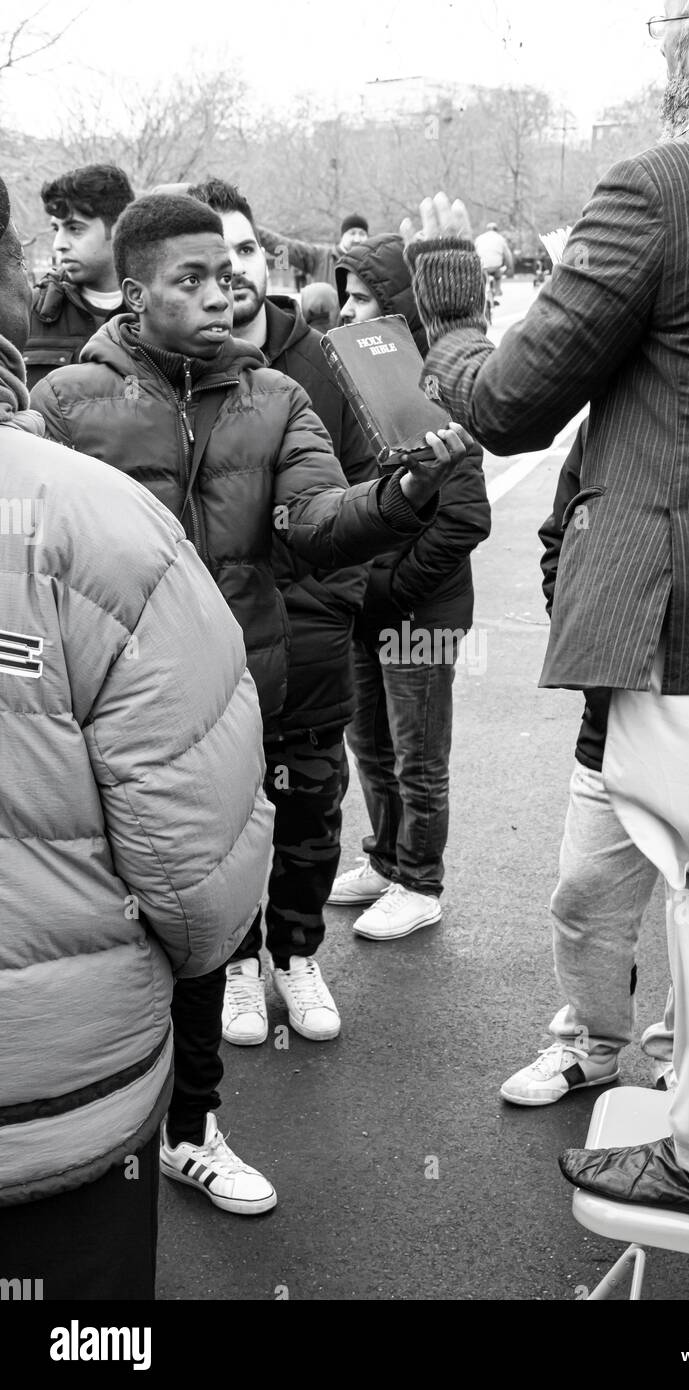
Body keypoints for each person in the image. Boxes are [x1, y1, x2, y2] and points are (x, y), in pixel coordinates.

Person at [401, 0, 689, 1221]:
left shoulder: (661, 185)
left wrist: (447, 306)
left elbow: (506, 403)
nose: (658, 48)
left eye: (664, 25)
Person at [30, 193, 471, 1210]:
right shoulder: (63, 405)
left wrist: (400, 496)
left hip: (236, 710)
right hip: (99, 725)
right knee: (101, 934)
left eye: (226, 276)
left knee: (205, 915)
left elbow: (316, 521)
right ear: (134, 296)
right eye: (189, 279)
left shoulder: (275, 397)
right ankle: (85, 1145)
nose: (220, 294)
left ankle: (192, 1128)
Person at [0, 174, 274, 1296]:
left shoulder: (277, 391)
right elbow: (198, 875)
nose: (222, 294)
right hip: (52, 1099)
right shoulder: (88, 511)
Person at [189, 176, 376, 1045]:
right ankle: (235, 966)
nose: (229, 273)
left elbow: (376, 490)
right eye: (209, 258)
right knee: (227, 822)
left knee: (309, 814)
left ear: (264, 257)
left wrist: (342, 599)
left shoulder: (326, 361)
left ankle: (297, 956)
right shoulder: (178, 372)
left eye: (244, 250)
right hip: (214, 656)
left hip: (309, 646)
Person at [327, 232, 492, 940]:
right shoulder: (356, 387)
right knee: (370, 744)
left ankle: (420, 881)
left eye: (363, 297)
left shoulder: (437, 390)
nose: (347, 309)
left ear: (395, 308)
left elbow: (464, 521)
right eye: (345, 295)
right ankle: (386, 860)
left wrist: (387, 586)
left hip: (419, 612)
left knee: (418, 756)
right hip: (369, 605)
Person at [499, 418, 664, 1105]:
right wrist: (599, 654)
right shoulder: (610, 423)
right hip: (617, 719)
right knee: (584, 894)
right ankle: (592, 1044)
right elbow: (557, 544)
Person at [23, 164, 134, 389]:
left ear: (119, 228)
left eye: (75, 228)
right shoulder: (27, 314)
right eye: (57, 229)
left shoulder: (154, 315)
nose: (59, 244)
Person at [260, 213, 369, 291]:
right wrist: (254, 230)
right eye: (352, 233)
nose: (357, 239)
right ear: (342, 236)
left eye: (362, 234)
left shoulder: (372, 263)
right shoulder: (320, 257)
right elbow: (286, 246)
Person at [473, 222, 513, 304]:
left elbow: (473, 251)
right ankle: (497, 290)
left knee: (482, 280)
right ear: (497, 230)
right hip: (495, 267)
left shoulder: (479, 238)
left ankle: (480, 293)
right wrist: (509, 266)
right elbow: (508, 255)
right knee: (498, 276)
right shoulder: (500, 238)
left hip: (481, 266)